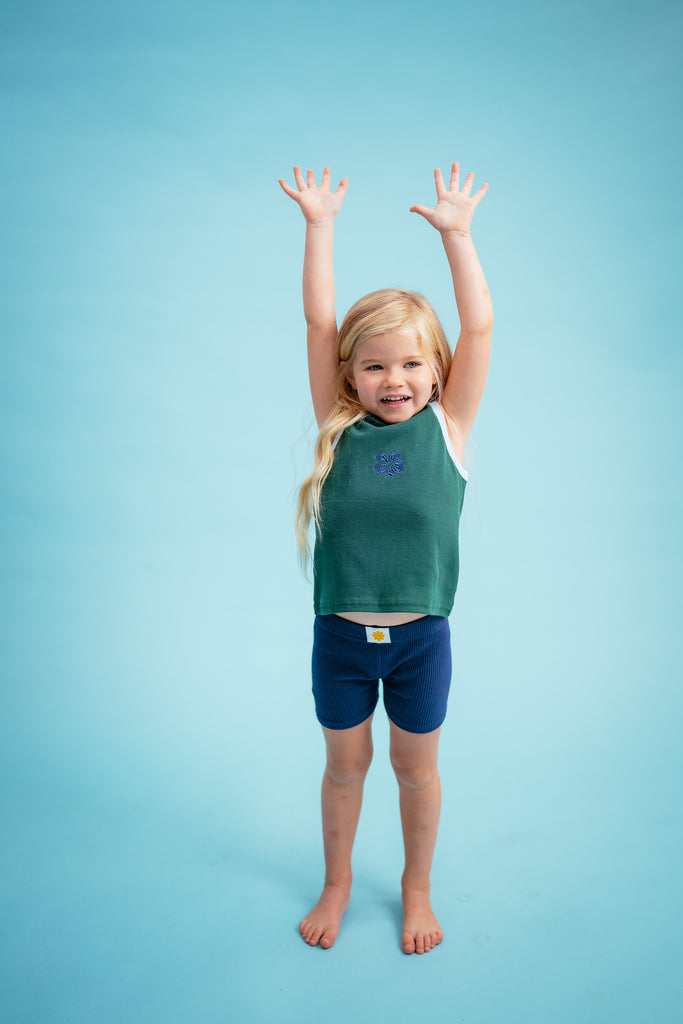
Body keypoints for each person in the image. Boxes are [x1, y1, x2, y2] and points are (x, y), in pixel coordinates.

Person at [278, 162, 493, 955]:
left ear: (435, 371)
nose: (392, 379)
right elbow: (315, 323)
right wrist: (318, 226)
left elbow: (479, 331)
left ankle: (415, 890)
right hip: (339, 638)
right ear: (349, 376)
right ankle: (336, 884)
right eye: (373, 365)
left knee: (413, 770)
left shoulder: (447, 432)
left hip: (418, 642)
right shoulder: (339, 429)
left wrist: (457, 238)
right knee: (344, 767)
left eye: (409, 364)